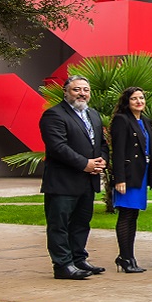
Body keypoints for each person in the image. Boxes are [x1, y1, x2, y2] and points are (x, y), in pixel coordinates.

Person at [40, 75, 107, 280]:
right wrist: (84, 164)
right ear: (66, 92)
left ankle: (78, 259)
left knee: (81, 223)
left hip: (87, 181)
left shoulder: (93, 115)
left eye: (85, 90)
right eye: (77, 89)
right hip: (63, 182)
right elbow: (58, 147)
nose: (82, 94)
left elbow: (102, 143)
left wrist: (102, 161)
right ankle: (62, 265)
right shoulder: (54, 115)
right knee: (59, 225)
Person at [110, 87, 152, 273]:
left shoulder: (144, 120)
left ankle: (128, 256)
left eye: (141, 97)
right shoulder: (122, 120)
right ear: (127, 101)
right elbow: (118, 151)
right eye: (134, 98)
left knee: (133, 215)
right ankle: (125, 257)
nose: (139, 101)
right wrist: (119, 178)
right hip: (127, 175)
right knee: (126, 215)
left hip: (141, 173)